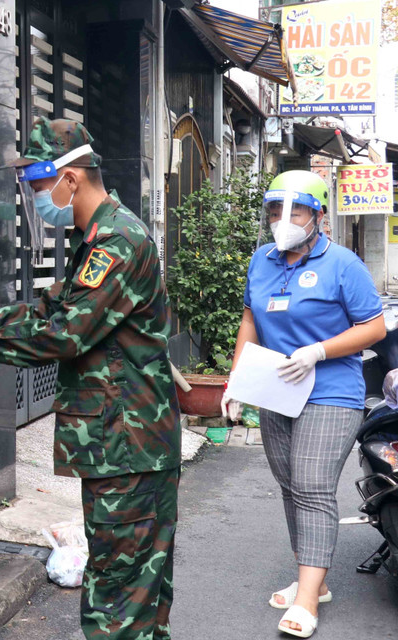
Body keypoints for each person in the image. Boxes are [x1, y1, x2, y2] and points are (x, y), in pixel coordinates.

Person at [0, 118, 181, 640]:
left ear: (70, 178)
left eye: (39, 184)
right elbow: (54, 308)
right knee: (140, 592)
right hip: (127, 444)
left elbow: (66, 335)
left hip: (128, 445)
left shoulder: (116, 241)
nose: (36, 198)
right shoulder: (95, 238)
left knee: (118, 598)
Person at [221, 170, 386, 638]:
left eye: (296, 211)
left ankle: (308, 599)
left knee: (312, 486)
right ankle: (313, 579)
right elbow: (250, 320)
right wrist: (236, 380)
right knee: (292, 486)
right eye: (276, 211)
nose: (284, 220)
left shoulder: (343, 264)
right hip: (276, 390)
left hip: (331, 391)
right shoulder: (262, 260)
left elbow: (374, 327)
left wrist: (318, 351)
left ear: (318, 215)